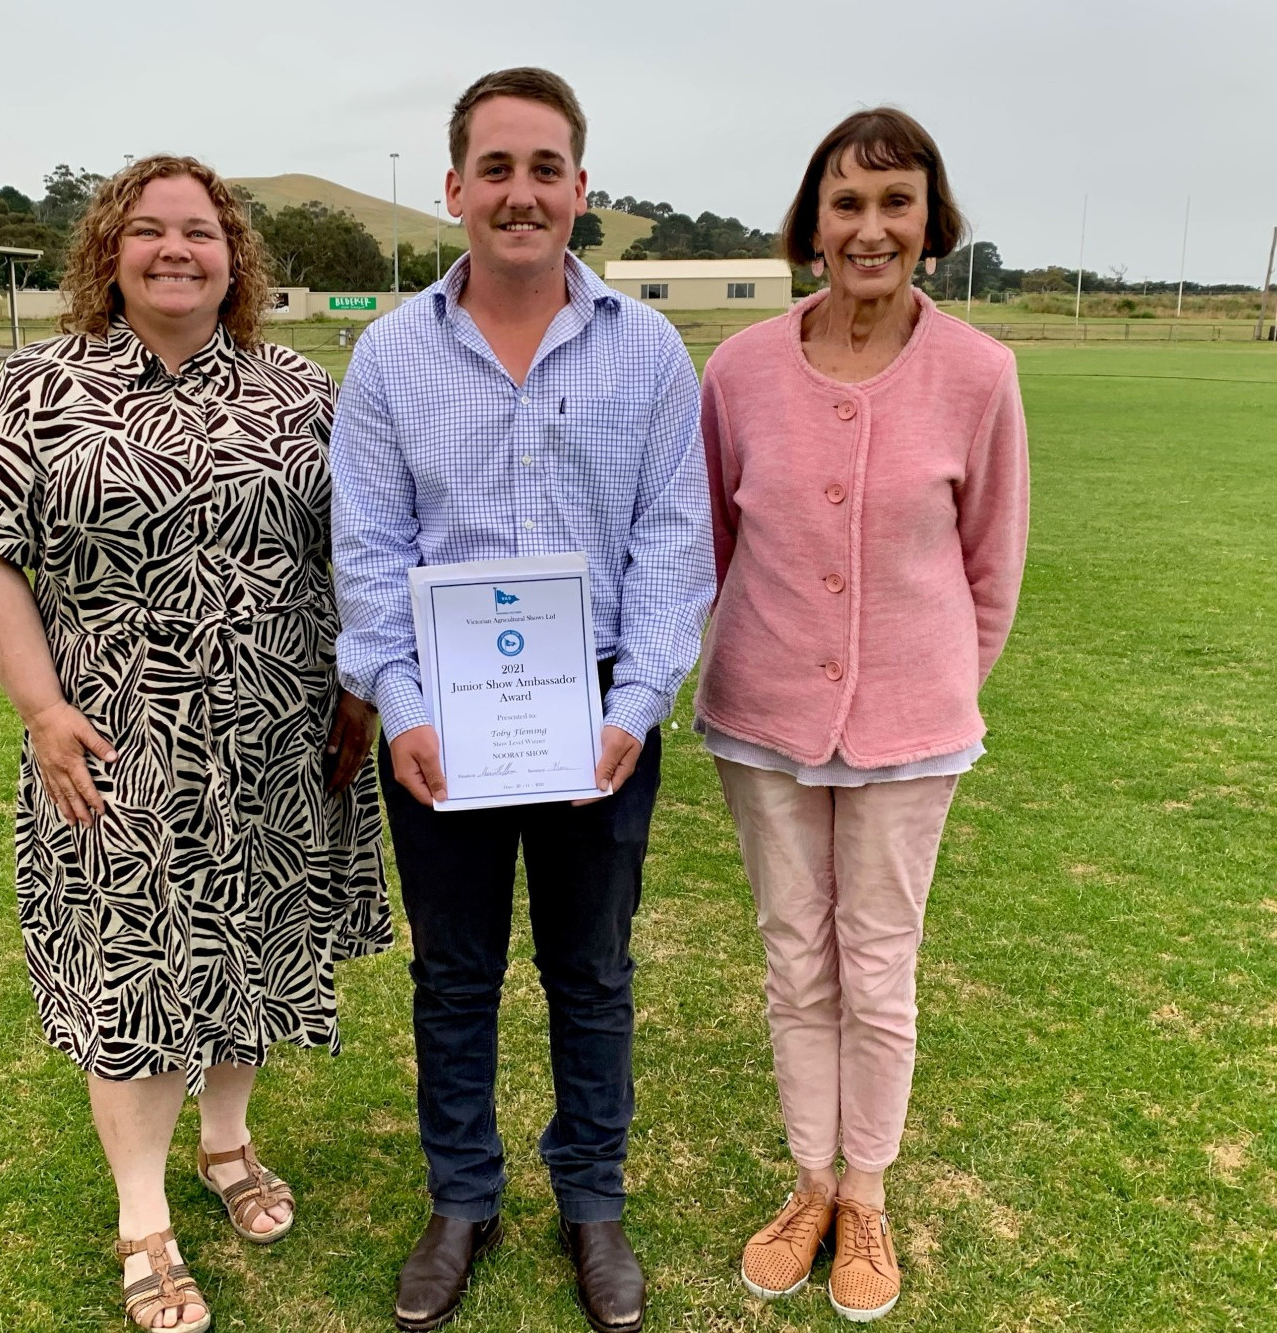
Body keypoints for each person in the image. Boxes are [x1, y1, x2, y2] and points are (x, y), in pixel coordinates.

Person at [0, 154, 391, 1333]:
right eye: (149, 231)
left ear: (236, 258)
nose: (175, 249)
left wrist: (359, 688)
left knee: (251, 951)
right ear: (109, 252)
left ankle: (228, 1145)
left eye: (200, 232)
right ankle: (143, 1217)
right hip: (115, 741)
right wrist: (39, 706)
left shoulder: (297, 392)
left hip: (279, 736)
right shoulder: (40, 387)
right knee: (135, 970)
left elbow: (361, 549)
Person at [331, 67, 713, 1333]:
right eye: (495, 168)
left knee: (589, 970)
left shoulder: (647, 350)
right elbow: (370, 552)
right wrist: (400, 703)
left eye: (544, 168)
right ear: (453, 189)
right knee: (454, 973)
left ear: (578, 191)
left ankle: (590, 1203)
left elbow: (672, 545)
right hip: (444, 716)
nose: (519, 193)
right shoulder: (389, 355)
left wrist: (638, 702)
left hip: (598, 711)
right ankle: (461, 1197)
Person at [696, 107, 1028, 1321]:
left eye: (895, 204)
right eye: (846, 203)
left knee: (877, 970)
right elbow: (713, 547)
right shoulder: (735, 369)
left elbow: (989, 567)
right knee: (795, 960)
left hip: (910, 728)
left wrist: (933, 685)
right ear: (811, 223)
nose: (869, 227)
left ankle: (868, 1194)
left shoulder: (979, 373)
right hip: (762, 716)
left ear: (929, 222)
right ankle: (807, 1183)